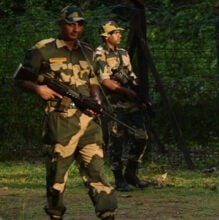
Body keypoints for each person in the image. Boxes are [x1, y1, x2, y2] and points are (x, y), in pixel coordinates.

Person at [13, 5, 117, 219]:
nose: (76, 28)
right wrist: (38, 89)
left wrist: (95, 97)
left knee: (97, 171)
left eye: (80, 24)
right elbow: (20, 78)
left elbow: (92, 79)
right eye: (71, 23)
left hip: (88, 121)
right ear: (61, 24)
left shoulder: (88, 51)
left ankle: (107, 213)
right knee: (57, 176)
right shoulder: (43, 49)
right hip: (60, 121)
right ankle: (55, 213)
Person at [94, 20, 149, 192]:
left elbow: (131, 75)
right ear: (106, 36)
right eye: (115, 32)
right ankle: (118, 178)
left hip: (131, 102)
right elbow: (105, 81)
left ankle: (131, 173)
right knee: (117, 140)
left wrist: (138, 94)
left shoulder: (124, 53)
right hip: (114, 104)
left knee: (142, 137)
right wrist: (126, 91)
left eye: (119, 32)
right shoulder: (99, 54)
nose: (119, 35)